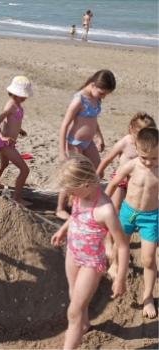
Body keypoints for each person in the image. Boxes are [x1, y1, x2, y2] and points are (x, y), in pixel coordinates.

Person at [51, 155, 129, 350]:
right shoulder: (79, 196)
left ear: (85, 184)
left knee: (73, 312)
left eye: (71, 189)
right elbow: (76, 215)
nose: (69, 193)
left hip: (91, 263)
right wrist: (63, 230)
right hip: (72, 253)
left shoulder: (105, 210)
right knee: (73, 294)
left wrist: (120, 278)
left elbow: (122, 245)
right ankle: (84, 325)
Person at [105, 128, 158, 319]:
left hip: (151, 217)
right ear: (136, 148)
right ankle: (117, 266)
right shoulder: (132, 165)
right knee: (121, 245)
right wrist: (105, 204)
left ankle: (148, 297)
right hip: (128, 212)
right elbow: (112, 184)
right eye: (145, 157)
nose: (149, 162)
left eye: (154, 158)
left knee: (149, 259)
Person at [56, 69, 116, 220]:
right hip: (74, 143)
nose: (104, 96)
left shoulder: (96, 99)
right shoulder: (79, 100)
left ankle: (84, 199)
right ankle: (60, 208)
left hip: (88, 143)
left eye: (106, 94)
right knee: (73, 175)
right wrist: (62, 151)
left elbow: (94, 121)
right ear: (93, 85)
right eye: (102, 93)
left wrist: (100, 137)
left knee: (98, 170)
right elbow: (64, 125)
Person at [97, 112, 156, 211]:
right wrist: (99, 172)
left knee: (134, 205)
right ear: (131, 129)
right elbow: (107, 159)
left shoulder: (150, 146)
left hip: (138, 180)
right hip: (121, 179)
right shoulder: (125, 142)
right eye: (140, 135)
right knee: (116, 205)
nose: (143, 139)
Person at [0, 76, 33, 204]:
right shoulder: (11, 106)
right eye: (23, 95)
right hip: (5, 143)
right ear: (16, 93)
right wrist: (2, 137)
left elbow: (9, 120)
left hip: (9, 143)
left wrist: (19, 130)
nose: (25, 98)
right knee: (25, 170)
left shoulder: (16, 105)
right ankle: (17, 198)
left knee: (4, 164)